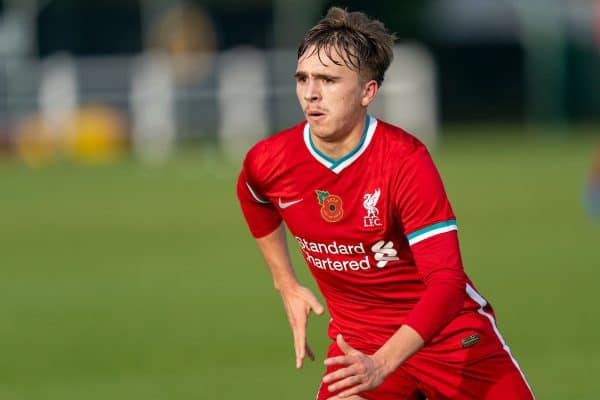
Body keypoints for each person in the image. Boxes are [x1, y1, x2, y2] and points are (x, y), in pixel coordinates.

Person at [237, 7, 535, 400]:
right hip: (358, 348)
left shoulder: (405, 162)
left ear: (367, 92)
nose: (310, 93)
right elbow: (253, 194)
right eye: (303, 78)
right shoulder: (271, 159)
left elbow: (446, 284)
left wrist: (383, 363)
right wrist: (285, 283)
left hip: (451, 343)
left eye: (328, 80)